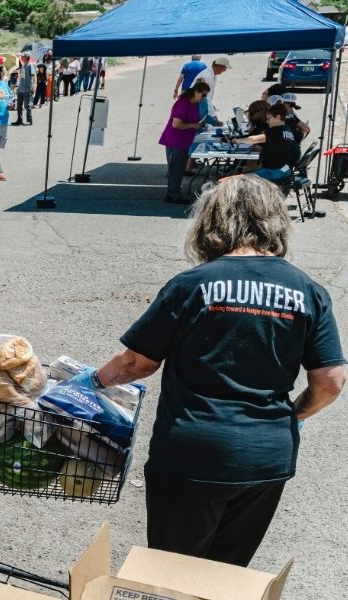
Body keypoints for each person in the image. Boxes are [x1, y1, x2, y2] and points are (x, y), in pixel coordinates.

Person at [90, 175, 344, 567]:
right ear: (275, 221)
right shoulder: (308, 291)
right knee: (225, 579)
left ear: (213, 221)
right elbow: (330, 380)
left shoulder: (193, 285)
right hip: (268, 458)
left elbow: (134, 364)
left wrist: (87, 384)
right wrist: (291, 417)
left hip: (194, 453)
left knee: (171, 576)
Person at [159, 81, 209, 204]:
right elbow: (176, 124)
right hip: (176, 141)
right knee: (176, 168)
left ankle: (173, 193)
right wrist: (193, 125)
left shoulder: (192, 103)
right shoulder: (183, 103)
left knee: (178, 168)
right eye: (202, 95)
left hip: (182, 141)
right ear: (196, 92)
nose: (203, 98)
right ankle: (173, 194)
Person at [239, 103, 299, 183]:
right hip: (286, 169)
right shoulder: (286, 130)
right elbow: (281, 150)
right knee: (247, 174)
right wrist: (262, 149)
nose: (267, 121)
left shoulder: (276, 131)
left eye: (269, 118)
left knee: (241, 180)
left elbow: (254, 139)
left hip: (276, 172)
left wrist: (237, 140)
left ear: (277, 117)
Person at [192, 57, 231, 124]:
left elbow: (208, 98)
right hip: (196, 105)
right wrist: (214, 117)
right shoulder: (207, 76)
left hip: (200, 103)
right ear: (218, 66)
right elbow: (207, 98)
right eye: (224, 68)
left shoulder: (212, 75)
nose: (225, 70)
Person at [12, 54, 35, 126]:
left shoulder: (30, 65)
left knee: (27, 105)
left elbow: (33, 76)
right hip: (20, 88)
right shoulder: (23, 66)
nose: (21, 57)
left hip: (27, 88)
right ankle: (19, 120)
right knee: (19, 105)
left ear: (27, 57)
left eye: (23, 56)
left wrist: (33, 86)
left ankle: (29, 120)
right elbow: (21, 77)